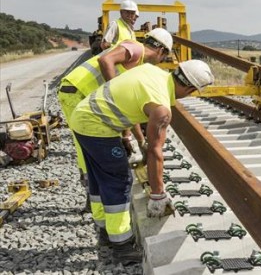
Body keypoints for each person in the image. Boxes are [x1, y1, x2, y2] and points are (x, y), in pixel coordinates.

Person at [69, 60, 214, 265]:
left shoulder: (151, 71)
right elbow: (156, 151)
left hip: (81, 117)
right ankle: (122, 246)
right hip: (96, 127)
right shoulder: (162, 109)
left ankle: (104, 232)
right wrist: (157, 194)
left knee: (98, 177)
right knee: (119, 180)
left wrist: (136, 140)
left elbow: (130, 108)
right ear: (190, 89)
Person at [57, 28, 174, 209]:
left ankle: (96, 199)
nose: (160, 63)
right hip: (76, 91)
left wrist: (135, 138)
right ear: (161, 51)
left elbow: (124, 111)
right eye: (163, 59)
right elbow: (106, 60)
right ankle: (93, 196)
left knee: (91, 148)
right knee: (86, 148)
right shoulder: (136, 48)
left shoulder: (138, 63)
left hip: (81, 93)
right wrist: (114, 87)